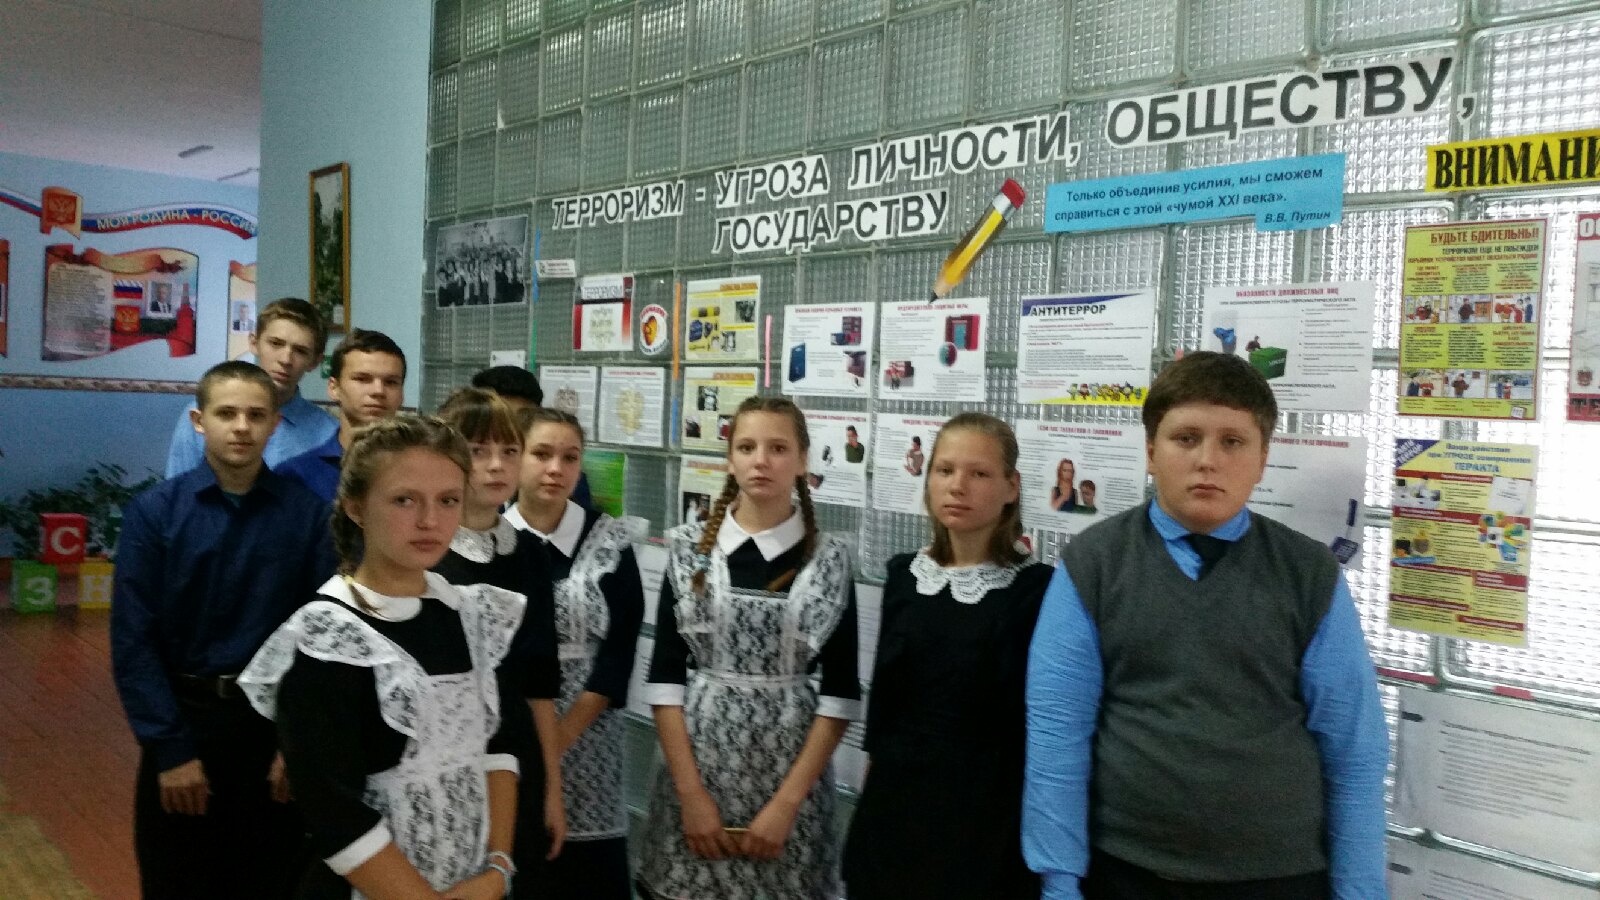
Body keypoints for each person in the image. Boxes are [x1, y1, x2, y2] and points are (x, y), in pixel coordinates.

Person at [1022, 351, 1388, 900]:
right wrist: (1059, 883)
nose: (1207, 461)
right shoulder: (1094, 564)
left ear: (1263, 459)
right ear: (1151, 452)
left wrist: (1360, 891)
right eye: (1186, 438)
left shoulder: (1308, 573)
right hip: (1127, 873)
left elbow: (1354, 749)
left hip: (1279, 878)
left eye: (1232, 441)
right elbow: (1057, 734)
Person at [239, 415, 526, 899]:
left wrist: (498, 868)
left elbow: (498, 746)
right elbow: (335, 813)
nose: (429, 520)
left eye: (447, 500)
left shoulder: (471, 614)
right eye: (404, 500)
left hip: (474, 881)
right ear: (356, 507)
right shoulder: (327, 638)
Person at [112, 361, 336, 900]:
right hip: (186, 723)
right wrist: (170, 751)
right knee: (177, 882)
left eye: (256, 415)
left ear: (275, 424)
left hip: (271, 731)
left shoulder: (307, 516)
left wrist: (297, 742)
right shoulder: (155, 514)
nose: (241, 427)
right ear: (199, 421)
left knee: (271, 883)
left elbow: (322, 633)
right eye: (226, 413)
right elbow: (134, 640)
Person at [637, 396, 859, 900]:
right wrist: (691, 796)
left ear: (802, 460)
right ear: (730, 460)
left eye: (778, 448)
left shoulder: (829, 558)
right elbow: (665, 681)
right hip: (696, 772)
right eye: (746, 447)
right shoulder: (688, 548)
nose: (761, 461)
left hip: (790, 786)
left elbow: (841, 696)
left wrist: (786, 805)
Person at [844, 413, 1051, 900]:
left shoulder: (1036, 590)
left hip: (984, 809)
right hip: (895, 802)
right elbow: (886, 695)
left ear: (1011, 487)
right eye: (945, 470)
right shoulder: (904, 575)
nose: (958, 486)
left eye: (979, 473)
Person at [506, 407, 647, 900]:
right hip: (512, 732)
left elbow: (618, 657)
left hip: (590, 733)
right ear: (517, 458)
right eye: (541, 454)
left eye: (569, 458)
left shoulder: (610, 541)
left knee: (590, 875)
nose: (555, 469)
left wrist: (558, 741)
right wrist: (534, 749)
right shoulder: (491, 539)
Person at [431, 389, 567, 885]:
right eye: (478, 450)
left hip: (515, 748)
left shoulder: (529, 553)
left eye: (509, 451)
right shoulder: (424, 547)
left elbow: (540, 682)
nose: (496, 465)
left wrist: (552, 786)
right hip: (438, 752)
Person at [165, 297, 336, 477]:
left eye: (300, 351)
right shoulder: (205, 413)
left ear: (315, 362)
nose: (285, 359)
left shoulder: (329, 433)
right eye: (276, 343)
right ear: (254, 343)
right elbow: (177, 490)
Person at [276, 329, 407, 501]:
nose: (378, 391)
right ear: (334, 388)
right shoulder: (297, 476)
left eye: (391, 382)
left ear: (401, 394)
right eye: (362, 379)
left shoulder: (419, 471)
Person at [472, 365, 594, 508]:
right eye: (500, 417)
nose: (510, 428)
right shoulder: (462, 472)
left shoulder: (566, 478)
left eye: (520, 418)